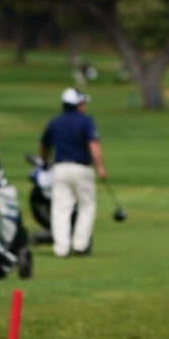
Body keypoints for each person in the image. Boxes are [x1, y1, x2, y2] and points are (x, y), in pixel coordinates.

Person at [39, 86, 107, 258]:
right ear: (77, 105)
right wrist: (100, 167)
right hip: (82, 168)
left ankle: (61, 248)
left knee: (61, 208)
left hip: (60, 168)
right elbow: (93, 145)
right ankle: (80, 244)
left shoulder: (55, 121)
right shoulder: (86, 122)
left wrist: (45, 161)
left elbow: (43, 146)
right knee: (87, 206)